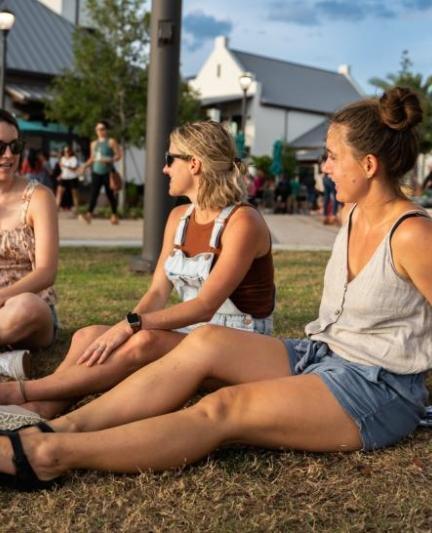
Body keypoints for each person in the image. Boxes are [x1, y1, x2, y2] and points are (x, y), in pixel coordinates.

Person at [2, 87, 430, 491]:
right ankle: (57, 426)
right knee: (204, 341)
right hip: (322, 354)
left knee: (224, 408)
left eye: (333, 157)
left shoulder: (412, 234)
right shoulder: (353, 213)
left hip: (377, 387)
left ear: (369, 166)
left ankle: (49, 452)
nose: (326, 167)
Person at [0, 120, 275, 422]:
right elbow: (158, 291)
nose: (164, 169)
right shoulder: (178, 217)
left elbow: (205, 306)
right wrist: (123, 328)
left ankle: (22, 393)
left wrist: (133, 325)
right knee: (87, 336)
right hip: (198, 333)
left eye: (169, 159)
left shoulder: (243, 222)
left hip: (240, 341)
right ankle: (41, 410)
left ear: (194, 164)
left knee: (145, 340)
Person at [0, 110, 58, 383]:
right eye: (0, 147)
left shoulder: (38, 197)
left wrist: (2, 296)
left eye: (15, 146)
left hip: (26, 304)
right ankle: (5, 362)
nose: (9, 155)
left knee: (26, 308)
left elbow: (46, 272)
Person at [80, 121, 122, 225]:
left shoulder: (111, 142)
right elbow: (92, 158)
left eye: (102, 128)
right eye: (98, 129)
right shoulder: (94, 144)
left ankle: (114, 215)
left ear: (106, 130)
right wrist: (84, 166)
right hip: (96, 171)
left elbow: (119, 155)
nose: (100, 131)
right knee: (94, 193)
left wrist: (108, 159)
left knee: (110, 194)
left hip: (108, 172)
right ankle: (89, 214)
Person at [56, 146, 80, 215]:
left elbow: (74, 168)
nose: (66, 153)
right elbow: (63, 170)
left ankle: (77, 210)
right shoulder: (62, 159)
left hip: (72, 178)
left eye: (68, 151)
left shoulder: (73, 159)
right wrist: (60, 175)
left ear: (71, 152)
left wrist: (65, 166)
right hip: (64, 178)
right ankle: (56, 209)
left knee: (74, 194)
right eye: (65, 151)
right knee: (59, 193)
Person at [320, 154, 340, 225]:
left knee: (327, 197)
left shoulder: (322, 163)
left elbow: (322, 171)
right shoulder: (330, 162)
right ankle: (334, 214)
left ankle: (325, 215)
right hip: (330, 178)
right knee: (335, 196)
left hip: (324, 179)